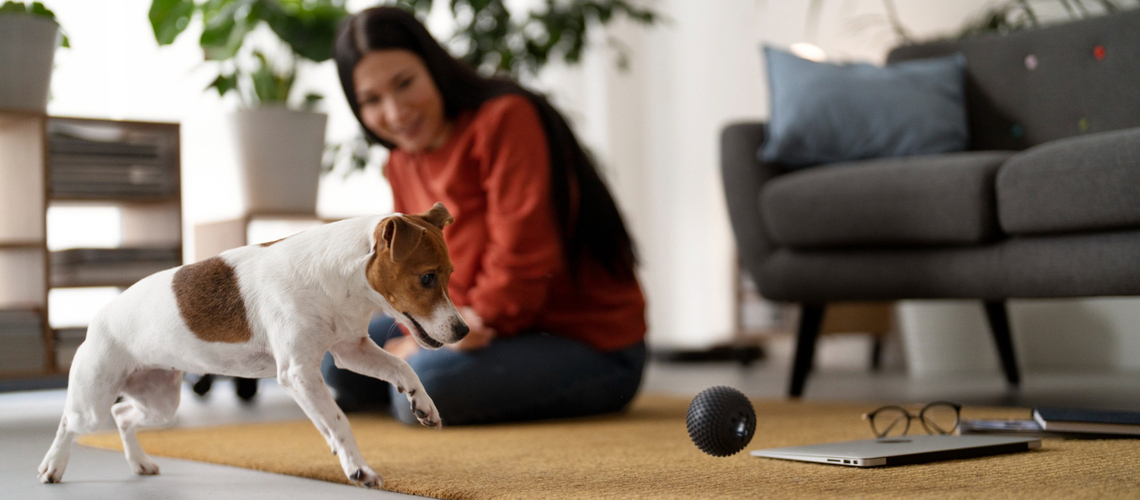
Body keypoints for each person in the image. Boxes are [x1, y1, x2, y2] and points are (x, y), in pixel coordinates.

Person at [321, 6, 647, 426]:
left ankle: (408, 384)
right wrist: (421, 334)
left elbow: (525, 265)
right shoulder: (401, 162)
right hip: (473, 329)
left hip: (586, 344)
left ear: (434, 67)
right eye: (372, 100)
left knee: (421, 390)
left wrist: (429, 343)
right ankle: (409, 378)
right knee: (338, 364)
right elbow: (405, 274)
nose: (396, 112)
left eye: (405, 83)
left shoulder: (506, 118)